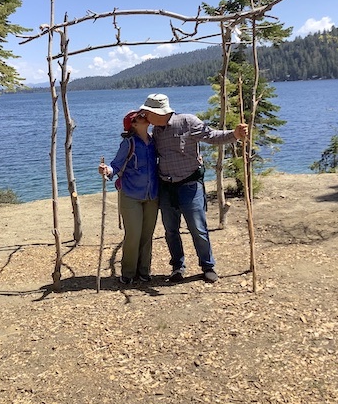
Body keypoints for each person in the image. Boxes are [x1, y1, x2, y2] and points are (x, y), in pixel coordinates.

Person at [139, 93, 248, 284]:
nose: (145, 116)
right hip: (166, 187)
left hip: (190, 185)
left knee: (198, 229)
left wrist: (235, 134)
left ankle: (208, 266)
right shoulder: (156, 131)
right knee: (171, 230)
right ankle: (177, 267)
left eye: (147, 112)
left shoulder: (187, 122)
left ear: (159, 112)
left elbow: (211, 136)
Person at [98, 110, 159, 285]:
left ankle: (144, 271)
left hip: (152, 195)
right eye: (140, 117)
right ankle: (128, 273)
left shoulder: (155, 141)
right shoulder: (129, 143)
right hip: (131, 195)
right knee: (133, 235)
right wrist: (106, 170)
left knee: (147, 235)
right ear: (133, 124)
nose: (144, 118)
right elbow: (115, 165)